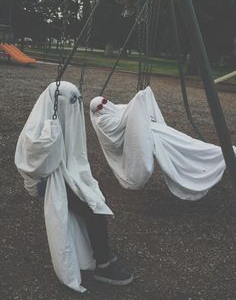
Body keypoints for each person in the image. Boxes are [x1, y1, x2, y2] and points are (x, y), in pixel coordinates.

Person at [15, 81, 133, 293]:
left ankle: (96, 250)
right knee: (94, 210)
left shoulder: (64, 119)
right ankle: (103, 264)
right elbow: (32, 160)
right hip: (52, 182)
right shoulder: (37, 127)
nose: (74, 107)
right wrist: (51, 136)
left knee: (96, 200)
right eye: (71, 102)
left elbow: (74, 153)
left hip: (69, 174)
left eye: (77, 102)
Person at [90, 86, 236, 201]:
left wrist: (142, 100)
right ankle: (216, 158)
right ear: (96, 111)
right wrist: (138, 100)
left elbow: (127, 110)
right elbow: (122, 120)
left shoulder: (112, 110)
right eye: (100, 106)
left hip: (154, 132)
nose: (105, 106)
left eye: (104, 101)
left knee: (186, 143)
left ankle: (219, 154)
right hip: (151, 137)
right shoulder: (102, 120)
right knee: (179, 148)